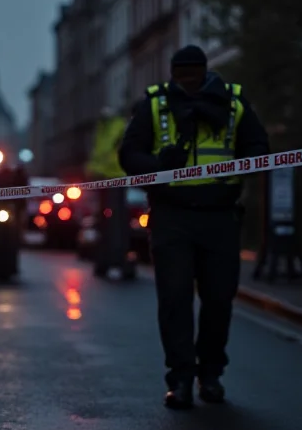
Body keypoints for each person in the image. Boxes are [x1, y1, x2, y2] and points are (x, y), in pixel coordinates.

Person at [119, 45, 270, 409]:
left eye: (193, 76)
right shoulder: (155, 104)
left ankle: (211, 373)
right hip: (172, 216)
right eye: (181, 76)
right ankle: (181, 378)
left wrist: (239, 170)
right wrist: (158, 164)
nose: (187, 83)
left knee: (219, 298)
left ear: (205, 72)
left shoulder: (233, 103)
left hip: (220, 215)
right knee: (175, 299)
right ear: (172, 74)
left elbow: (259, 148)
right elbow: (129, 154)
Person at [86, 106, 130, 279]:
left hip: (115, 178)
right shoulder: (102, 128)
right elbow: (98, 153)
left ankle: (117, 257)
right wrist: (91, 171)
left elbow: (111, 153)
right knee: (104, 221)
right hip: (103, 179)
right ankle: (106, 258)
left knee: (115, 221)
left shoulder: (118, 126)